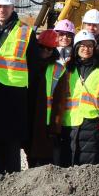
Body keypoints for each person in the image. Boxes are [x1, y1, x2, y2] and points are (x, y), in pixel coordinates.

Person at [0, 0, 36, 174]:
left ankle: (14, 185)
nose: (1, 10)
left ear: (13, 7)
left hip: (16, 95)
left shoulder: (25, 32)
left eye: (6, 6)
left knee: (13, 146)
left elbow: (34, 68)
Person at [54, 30, 99, 166]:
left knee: (89, 164)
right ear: (76, 48)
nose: (86, 49)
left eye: (89, 46)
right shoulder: (66, 69)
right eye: (82, 45)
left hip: (92, 123)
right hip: (69, 122)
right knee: (67, 161)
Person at [27, 29, 62, 167]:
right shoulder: (28, 64)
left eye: (50, 49)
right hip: (29, 116)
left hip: (45, 122)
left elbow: (60, 101)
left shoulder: (57, 69)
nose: (45, 51)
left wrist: (55, 126)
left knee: (44, 159)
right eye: (42, 47)